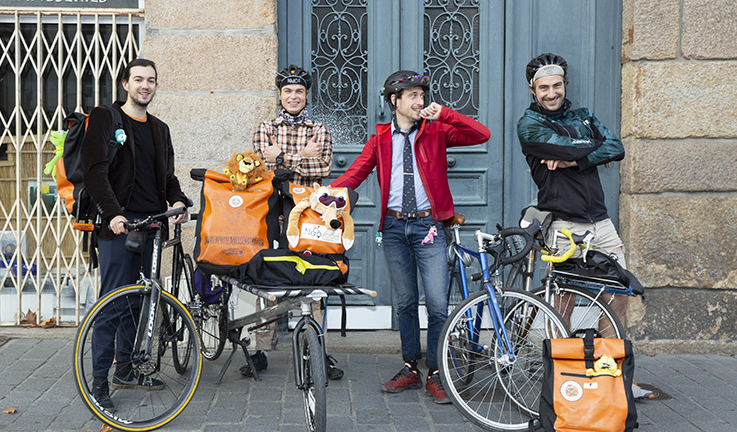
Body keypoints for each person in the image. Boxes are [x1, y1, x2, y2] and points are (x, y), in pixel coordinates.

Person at [331, 70, 491, 403]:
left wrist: (444, 113)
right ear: (395, 101)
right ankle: (409, 368)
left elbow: (481, 133)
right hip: (392, 228)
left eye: (422, 95)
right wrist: (324, 196)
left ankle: (436, 371)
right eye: (413, 96)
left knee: (435, 305)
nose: (420, 101)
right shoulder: (380, 139)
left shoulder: (436, 131)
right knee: (404, 303)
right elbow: (356, 172)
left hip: (428, 226)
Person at [517, 52, 655, 400]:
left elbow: (616, 146)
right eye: (544, 87)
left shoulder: (583, 115)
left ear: (565, 85)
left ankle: (616, 378)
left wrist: (571, 159)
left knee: (617, 297)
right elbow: (591, 147)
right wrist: (589, 150)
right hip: (563, 223)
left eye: (557, 85)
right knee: (560, 302)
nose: (552, 93)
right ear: (533, 90)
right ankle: (559, 376)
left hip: (601, 222)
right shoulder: (528, 124)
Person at [81, 58, 191, 412]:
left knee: (140, 301)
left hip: (153, 224)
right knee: (113, 303)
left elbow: (167, 176)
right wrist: (113, 214)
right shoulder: (105, 118)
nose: (146, 85)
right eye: (139, 79)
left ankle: (126, 370)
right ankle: (99, 384)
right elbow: (95, 172)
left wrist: (177, 199)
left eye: (152, 80)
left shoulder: (160, 128)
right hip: (118, 225)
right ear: (125, 84)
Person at [248, 64, 343, 380]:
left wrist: (284, 158)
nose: (293, 96)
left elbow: (324, 166)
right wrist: (302, 156)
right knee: (269, 277)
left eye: (299, 91)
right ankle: (261, 349)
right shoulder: (266, 127)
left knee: (316, 280)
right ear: (279, 95)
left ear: (306, 95)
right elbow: (260, 167)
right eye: (287, 91)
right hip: (274, 212)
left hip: (310, 215)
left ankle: (318, 350)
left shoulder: (320, 130)